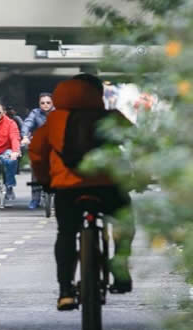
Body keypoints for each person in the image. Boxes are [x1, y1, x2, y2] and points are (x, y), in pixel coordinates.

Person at [29, 74, 136, 311]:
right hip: (107, 186)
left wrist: (47, 181)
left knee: (66, 234)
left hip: (68, 189)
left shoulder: (54, 120)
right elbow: (138, 142)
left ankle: (66, 291)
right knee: (124, 221)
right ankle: (119, 270)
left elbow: (37, 152)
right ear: (97, 94)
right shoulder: (111, 118)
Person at [21, 92, 55, 209]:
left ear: (53, 103)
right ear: (39, 104)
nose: (45, 105)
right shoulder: (35, 113)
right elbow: (27, 124)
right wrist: (25, 136)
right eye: (42, 103)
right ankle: (35, 199)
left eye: (48, 102)